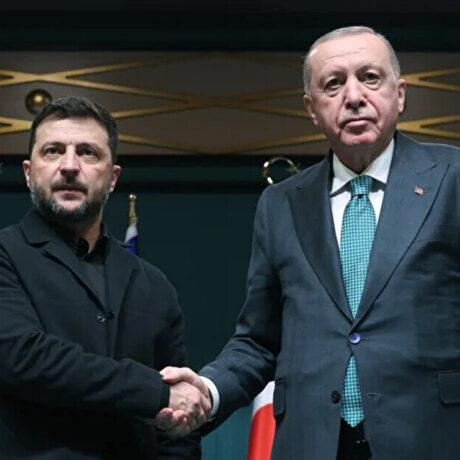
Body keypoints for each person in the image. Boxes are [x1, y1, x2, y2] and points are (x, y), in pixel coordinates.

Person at [155, 26, 460, 459]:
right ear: (311, 108)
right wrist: (207, 390)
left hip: (432, 440)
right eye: (333, 84)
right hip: (311, 444)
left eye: (370, 78)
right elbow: (259, 341)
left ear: (400, 94)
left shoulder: (451, 178)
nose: (353, 96)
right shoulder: (280, 204)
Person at [0, 96, 211, 459]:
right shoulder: (6, 254)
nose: (69, 166)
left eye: (88, 153)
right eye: (53, 151)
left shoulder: (154, 285)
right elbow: (24, 358)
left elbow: (179, 431)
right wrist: (156, 392)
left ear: (113, 178)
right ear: (28, 172)